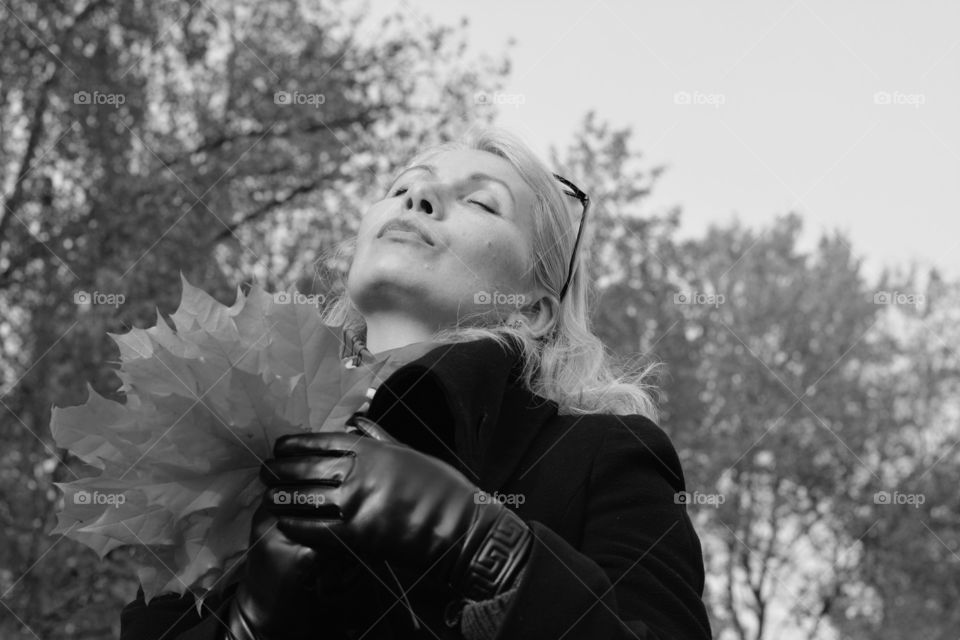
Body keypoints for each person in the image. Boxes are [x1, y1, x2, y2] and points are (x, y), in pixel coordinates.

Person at [119, 126, 713, 639]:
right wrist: (249, 628)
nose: (417, 198)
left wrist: (488, 547)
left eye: (482, 203)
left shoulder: (600, 454)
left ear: (533, 308)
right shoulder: (237, 455)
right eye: (401, 188)